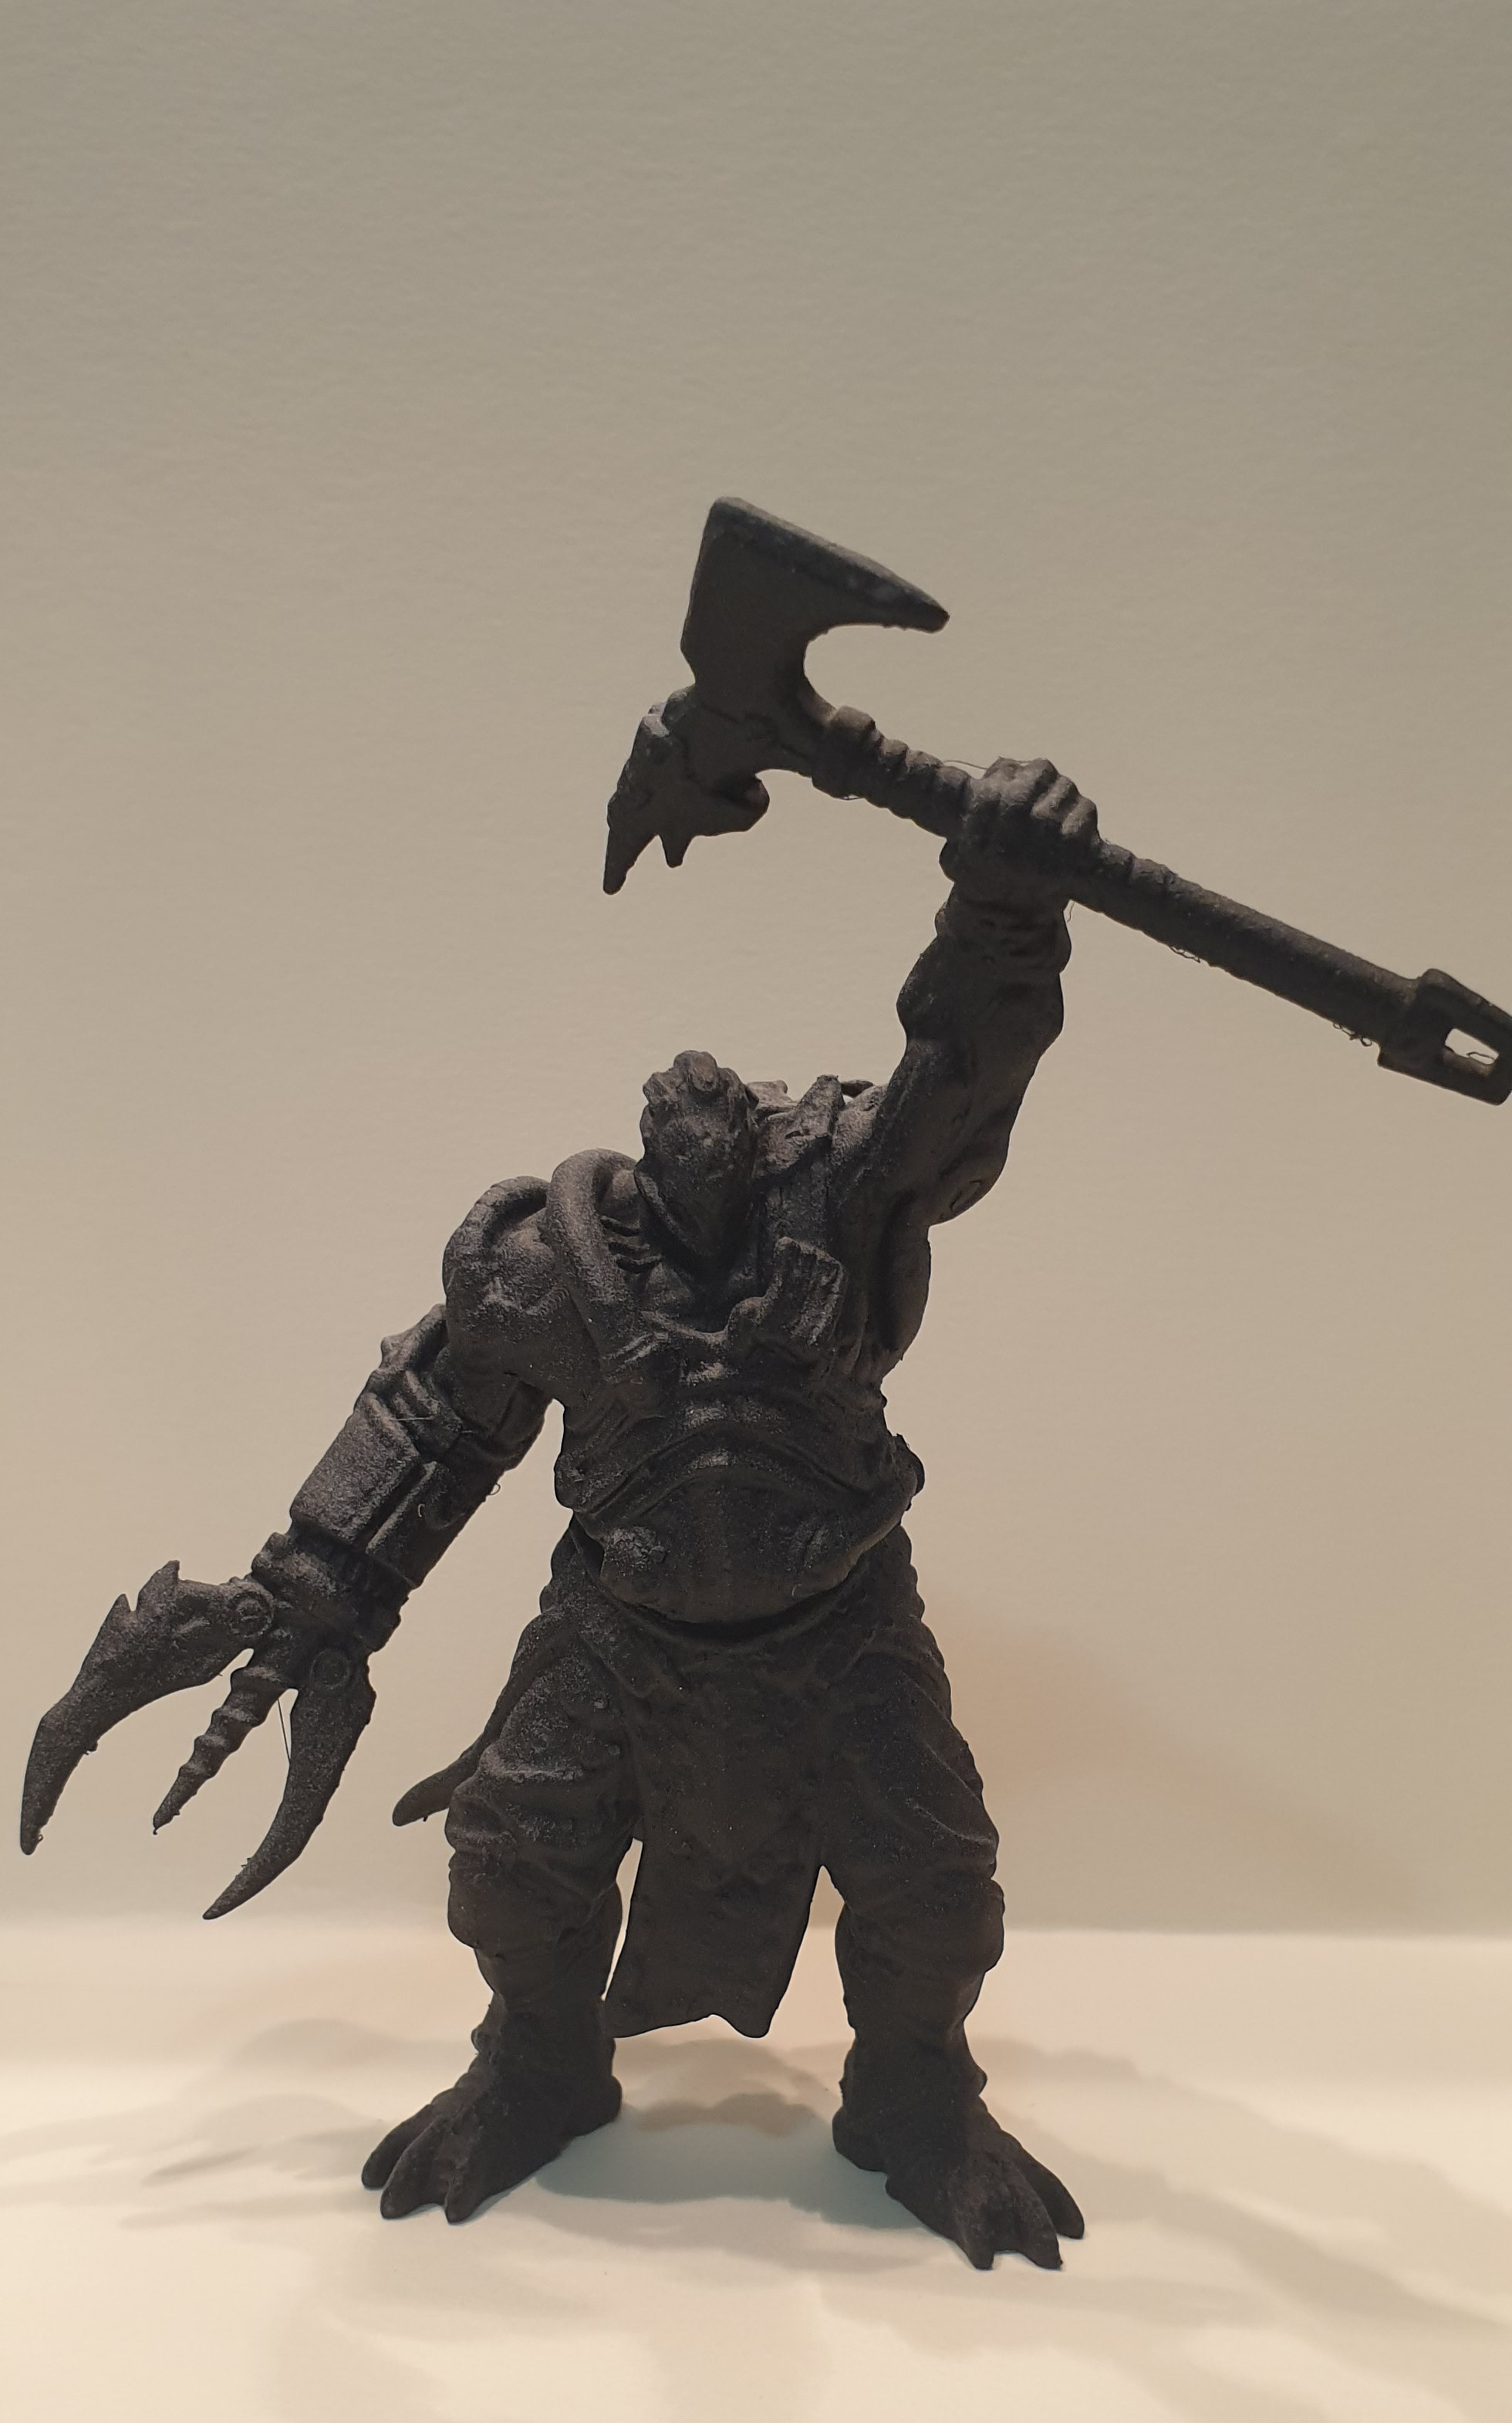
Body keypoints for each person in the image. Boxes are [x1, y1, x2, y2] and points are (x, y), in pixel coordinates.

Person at [24, 757, 1099, 2269]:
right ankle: (536, 2066)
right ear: (646, 1170)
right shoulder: (547, 1268)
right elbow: (437, 1422)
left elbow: (959, 1081)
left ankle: (913, 2093)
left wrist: (1001, 913)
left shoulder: (844, 1195)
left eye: (732, 1154)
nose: (708, 1182)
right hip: (619, 1620)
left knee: (933, 1880)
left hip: (842, 1611)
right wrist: (315, 1590)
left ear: (764, 1151)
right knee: (510, 1859)